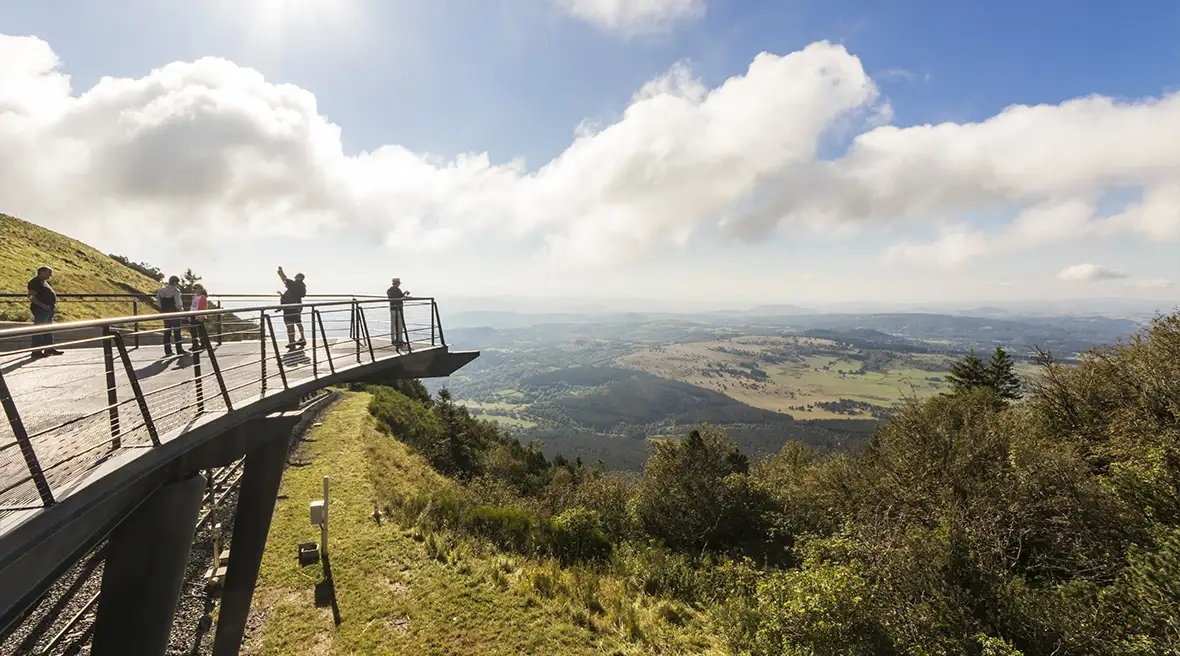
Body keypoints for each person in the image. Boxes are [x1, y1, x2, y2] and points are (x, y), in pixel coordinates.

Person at [27, 266, 63, 358]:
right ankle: (36, 352)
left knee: (48, 329)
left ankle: (49, 348)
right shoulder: (35, 282)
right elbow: (31, 296)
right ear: (41, 272)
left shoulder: (43, 282)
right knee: (39, 330)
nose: (50, 275)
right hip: (41, 310)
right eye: (48, 272)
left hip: (47, 309)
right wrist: (43, 305)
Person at [277, 266, 307, 349]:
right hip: (297, 307)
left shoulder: (294, 285)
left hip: (289, 308)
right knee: (298, 322)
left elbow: (285, 279)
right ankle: (302, 338)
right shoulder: (301, 286)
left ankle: (291, 341)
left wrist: (281, 272)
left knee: (289, 325)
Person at [157, 275, 185, 356]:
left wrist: (162, 309)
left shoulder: (161, 290)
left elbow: (158, 301)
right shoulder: (176, 291)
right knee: (177, 332)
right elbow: (178, 304)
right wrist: (181, 311)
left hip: (165, 313)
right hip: (175, 313)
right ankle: (179, 349)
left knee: (167, 332)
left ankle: (168, 351)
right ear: (175, 282)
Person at [386, 277, 410, 350]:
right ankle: (399, 340)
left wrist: (403, 294)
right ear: (397, 283)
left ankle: (393, 339)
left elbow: (394, 297)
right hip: (398, 309)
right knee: (399, 325)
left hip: (392, 308)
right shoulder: (397, 290)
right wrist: (405, 295)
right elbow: (400, 297)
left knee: (393, 324)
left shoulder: (389, 290)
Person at [188, 283, 210, 351]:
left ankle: (203, 344)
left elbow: (204, 307)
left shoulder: (203, 297)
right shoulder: (194, 297)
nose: (195, 290)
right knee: (193, 331)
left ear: (200, 289)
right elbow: (192, 306)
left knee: (201, 331)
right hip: (193, 314)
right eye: (194, 289)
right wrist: (189, 315)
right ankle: (195, 345)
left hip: (199, 315)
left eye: (196, 289)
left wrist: (202, 316)